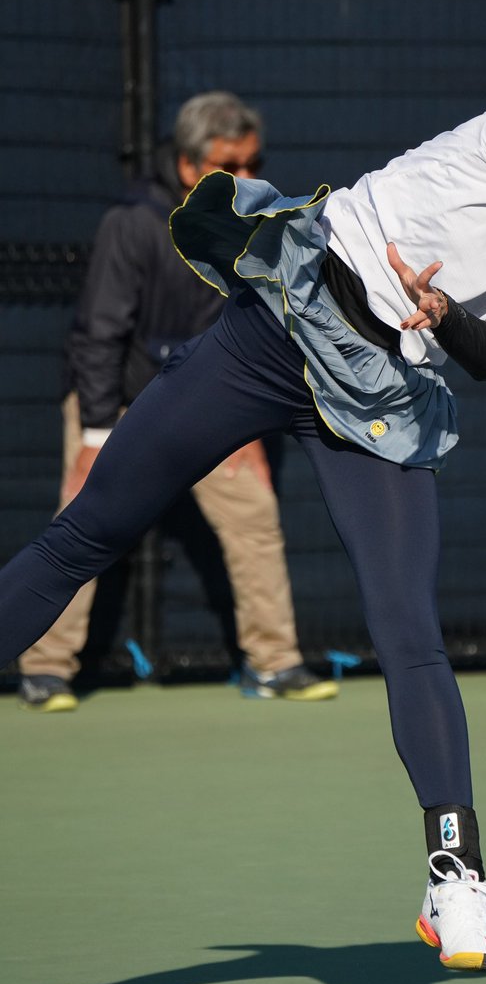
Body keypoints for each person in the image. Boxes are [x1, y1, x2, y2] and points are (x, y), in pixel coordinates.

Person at [0, 0, 486, 972]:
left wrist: (441, 311)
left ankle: (452, 878)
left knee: (405, 627)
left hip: (378, 398)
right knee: (85, 535)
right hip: (280, 331)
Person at [16, 91, 338, 712]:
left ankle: (275, 663)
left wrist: (245, 428)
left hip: (211, 399)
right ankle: (45, 669)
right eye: (230, 166)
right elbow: (100, 333)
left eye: (253, 162)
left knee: (255, 518)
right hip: (118, 402)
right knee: (82, 527)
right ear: (190, 166)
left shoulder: (256, 224)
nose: (247, 177)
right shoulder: (131, 222)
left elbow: (261, 328)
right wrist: (94, 434)